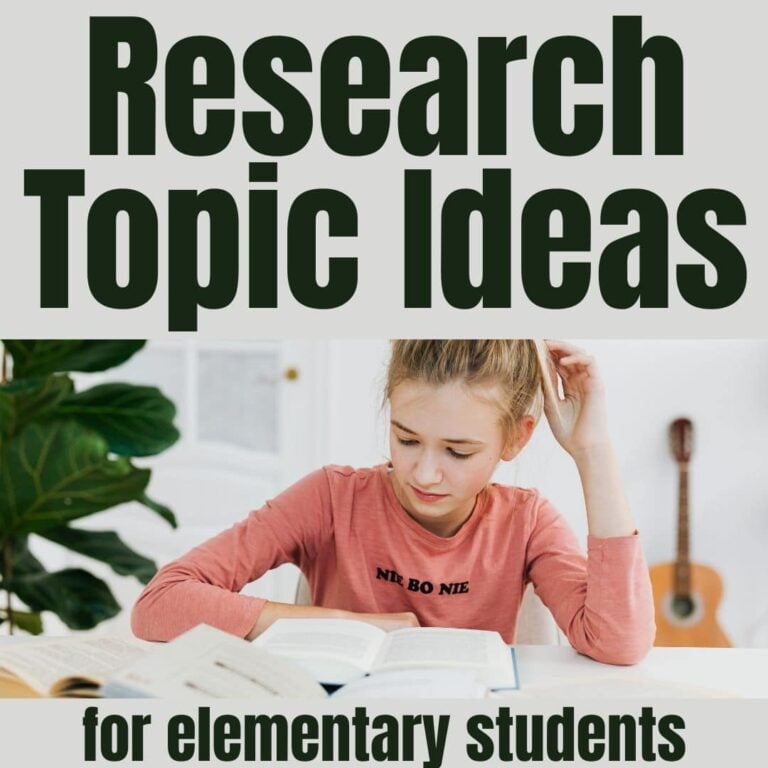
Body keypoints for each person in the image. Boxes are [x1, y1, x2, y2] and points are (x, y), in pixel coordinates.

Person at [132, 339, 655, 665]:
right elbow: (161, 604)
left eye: (458, 451)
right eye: (406, 439)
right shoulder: (331, 497)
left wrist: (593, 452)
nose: (425, 473)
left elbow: (619, 643)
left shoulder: (527, 521)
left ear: (516, 440)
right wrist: (356, 625)